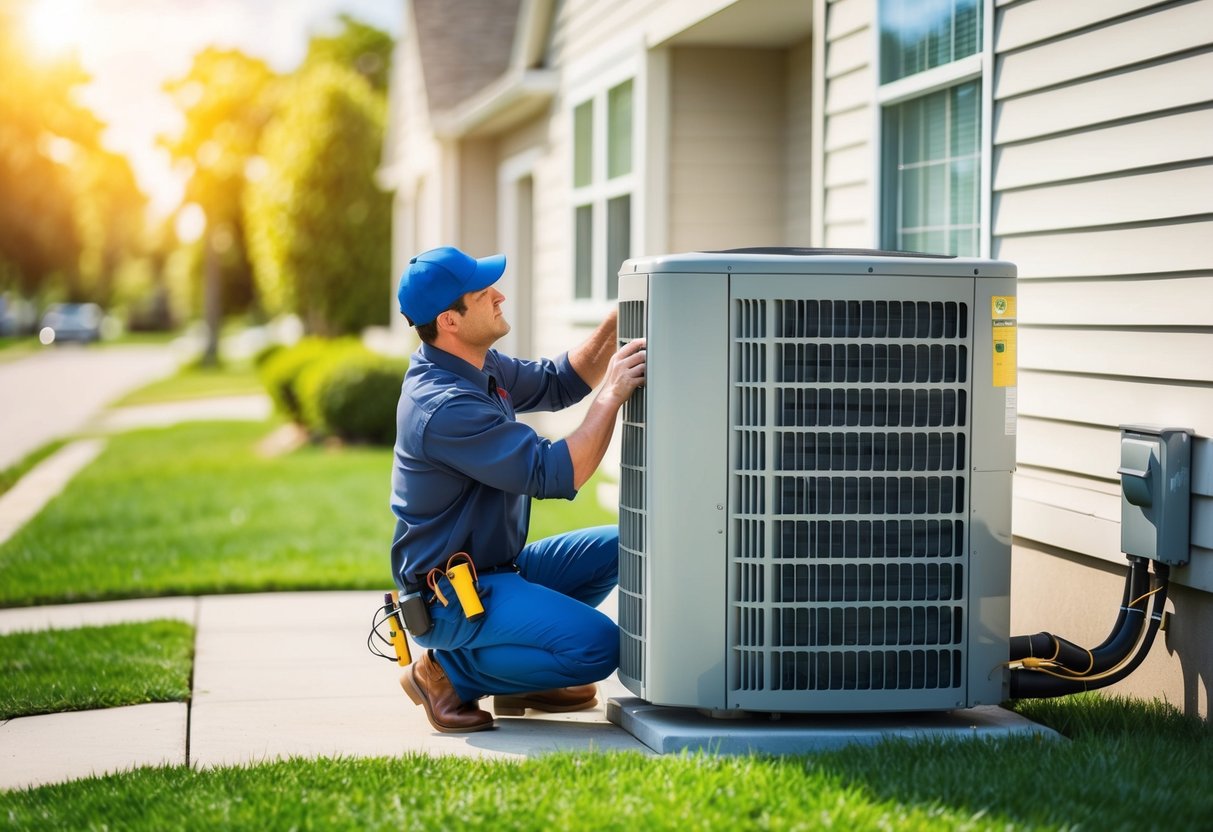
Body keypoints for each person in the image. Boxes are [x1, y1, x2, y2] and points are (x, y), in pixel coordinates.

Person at [390, 245, 646, 733]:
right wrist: (613, 394)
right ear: (450, 321)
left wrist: (622, 315)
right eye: (485, 294)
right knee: (600, 649)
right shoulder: (444, 407)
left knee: (627, 545)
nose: (500, 296)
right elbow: (556, 472)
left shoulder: (474, 365)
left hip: (497, 570)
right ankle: (445, 672)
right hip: (452, 595)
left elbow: (560, 381)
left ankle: (521, 675)